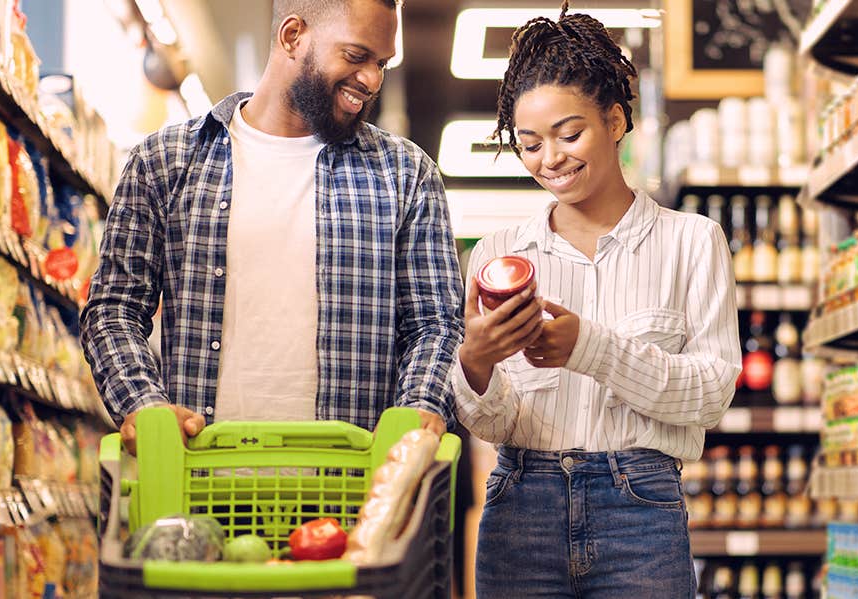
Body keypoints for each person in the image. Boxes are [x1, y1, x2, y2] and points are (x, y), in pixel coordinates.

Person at [81, 0, 464, 454]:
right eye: (357, 56)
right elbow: (113, 310)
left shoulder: (405, 174)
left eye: (381, 63)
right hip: (199, 478)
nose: (372, 80)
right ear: (292, 36)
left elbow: (436, 324)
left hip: (352, 490)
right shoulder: (164, 163)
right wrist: (142, 404)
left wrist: (418, 407)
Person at [453, 3, 741, 596]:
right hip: (519, 508)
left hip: (641, 511)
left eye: (569, 133)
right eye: (529, 144)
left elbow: (711, 394)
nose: (550, 159)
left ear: (614, 121)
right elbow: (496, 422)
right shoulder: (497, 255)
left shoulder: (691, 242)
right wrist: (476, 364)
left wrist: (590, 347)